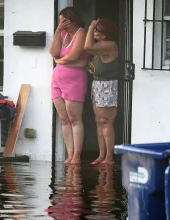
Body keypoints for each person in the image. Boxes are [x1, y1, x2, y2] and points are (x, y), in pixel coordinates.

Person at [49, 7, 88, 164]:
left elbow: (73, 56)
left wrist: (59, 61)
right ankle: (70, 154)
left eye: (62, 21)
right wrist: (58, 32)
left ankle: (77, 156)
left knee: (74, 118)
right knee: (64, 119)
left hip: (74, 81)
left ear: (70, 20)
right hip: (57, 80)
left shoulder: (82, 33)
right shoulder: (62, 33)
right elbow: (53, 52)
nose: (61, 23)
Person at [84, 18, 120, 165]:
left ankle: (109, 157)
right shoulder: (99, 46)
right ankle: (101, 155)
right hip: (97, 85)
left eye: (98, 30)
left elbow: (86, 47)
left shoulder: (110, 45)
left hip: (107, 86)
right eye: (95, 29)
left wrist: (90, 26)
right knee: (99, 122)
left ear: (106, 33)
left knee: (106, 122)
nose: (95, 32)